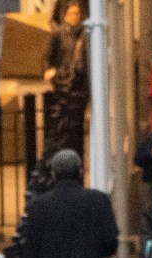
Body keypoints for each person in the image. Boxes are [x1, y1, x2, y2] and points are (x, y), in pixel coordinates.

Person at [45, 4, 91, 159]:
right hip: (64, 85)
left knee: (76, 130)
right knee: (63, 129)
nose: (75, 16)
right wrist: (51, 73)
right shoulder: (58, 34)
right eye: (72, 13)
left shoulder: (84, 35)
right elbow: (49, 57)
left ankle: (76, 161)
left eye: (77, 13)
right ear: (65, 16)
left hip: (79, 87)